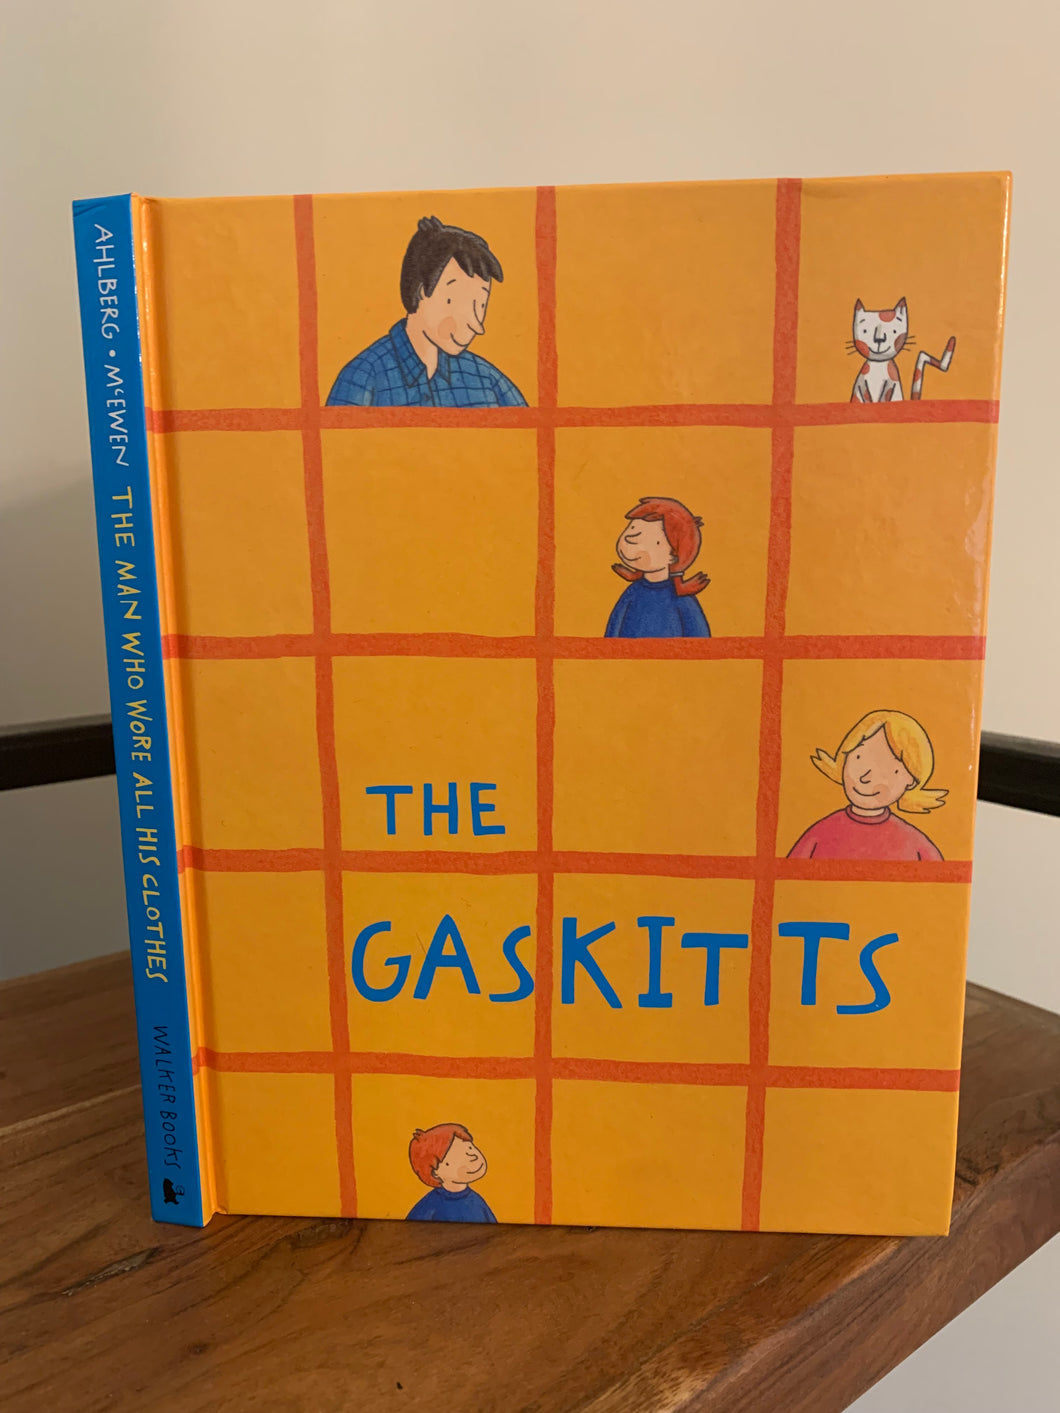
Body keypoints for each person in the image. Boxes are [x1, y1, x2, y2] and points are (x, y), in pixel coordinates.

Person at [326, 216, 526, 407]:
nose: (476, 324)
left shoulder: (486, 379)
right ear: (422, 292)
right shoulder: (363, 377)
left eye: (480, 305)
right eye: (456, 302)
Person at [787, 709, 946, 861]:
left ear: (911, 780)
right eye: (858, 758)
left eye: (885, 769)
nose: (864, 777)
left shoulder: (916, 845)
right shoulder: (821, 834)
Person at [605, 497, 711, 638]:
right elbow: (614, 627)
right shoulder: (633, 592)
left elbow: (699, 636)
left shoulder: (681, 599)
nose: (631, 539)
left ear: (674, 555)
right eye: (632, 528)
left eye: (656, 542)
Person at [405, 1122, 497, 1223]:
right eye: (456, 1156)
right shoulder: (429, 1206)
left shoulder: (476, 1202)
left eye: (470, 1147)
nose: (472, 1156)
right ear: (435, 1172)